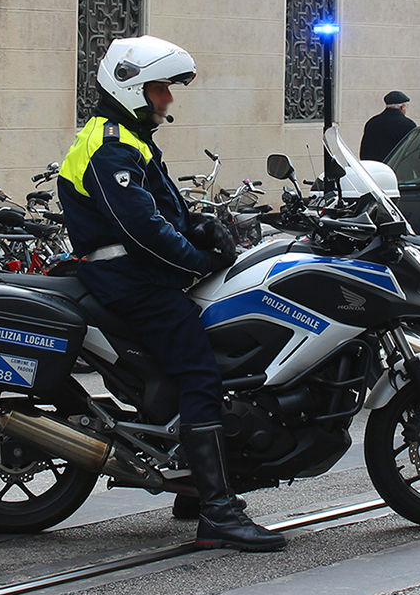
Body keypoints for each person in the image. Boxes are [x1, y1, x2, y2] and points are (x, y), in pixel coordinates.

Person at [57, 34, 286, 552]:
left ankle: (191, 484)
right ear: (134, 87)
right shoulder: (110, 144)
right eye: (162, 88)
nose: (169, 98)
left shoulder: (127, 138)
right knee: (202, 375)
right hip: (132, 281)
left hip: (136, 276)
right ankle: (217, 512)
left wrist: (204, 225)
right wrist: (199, 260)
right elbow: (141, 230)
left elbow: (163, 212)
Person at [359, 90, 416, 162]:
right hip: (396, 169)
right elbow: (416, 152)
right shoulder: (408, 124)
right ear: (403, 107)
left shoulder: (372, 122)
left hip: (374, 169)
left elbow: (364, 151)